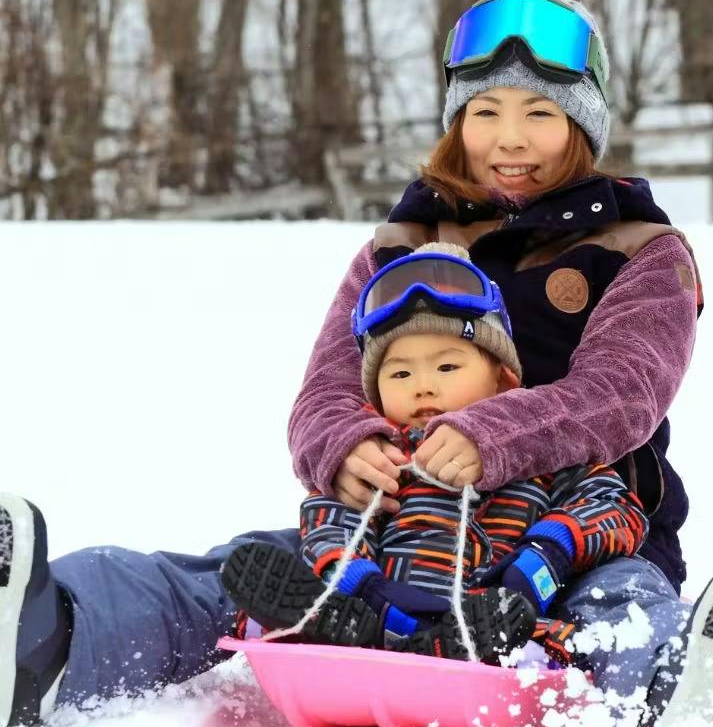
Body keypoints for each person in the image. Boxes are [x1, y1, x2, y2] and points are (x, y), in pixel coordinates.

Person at [0, 0, 713, 727]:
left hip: (575, 531)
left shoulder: (643, 250)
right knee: (226, 576)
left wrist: (489, 435)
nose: (511, 139)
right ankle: (45, 638)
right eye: (486, 112)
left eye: (541, 114)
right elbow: (325, 385)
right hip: (396, 528)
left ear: (583, 125)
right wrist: (344, 446)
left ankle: (679, 703)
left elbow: (623, 394)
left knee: (620, 612)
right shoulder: (405, 240)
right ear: (459, 121)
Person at [220, 243, 651, 668]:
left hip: (500, 613)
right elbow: (332, 519)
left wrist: (548, 553)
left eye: (447, 368)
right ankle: (335, 627)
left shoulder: (539, 454)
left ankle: (453, 648)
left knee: (546, 642)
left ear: (503, 380)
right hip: (384, 609)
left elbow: (616, 509)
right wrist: (366, 585)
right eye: (400, 373)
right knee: (319, 593)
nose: (423, 386)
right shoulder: (385, 456)